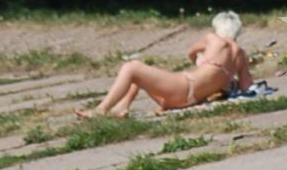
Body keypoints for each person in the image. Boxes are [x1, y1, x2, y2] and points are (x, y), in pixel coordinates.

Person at [77, 11, 251, 117]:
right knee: (140, 76)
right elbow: (246, 87)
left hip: (183, 87)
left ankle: (100, 110)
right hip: (190, 100)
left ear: (217, 28)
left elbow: (191, 52)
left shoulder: (213, 39)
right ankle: (122, 107)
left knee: (132, 67)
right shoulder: (242, 55)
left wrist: (200, 61)